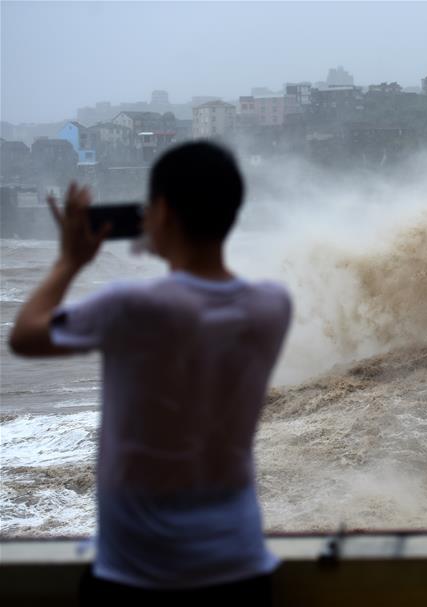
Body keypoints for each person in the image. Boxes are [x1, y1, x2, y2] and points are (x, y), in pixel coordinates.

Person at [8, 141, 291, 605]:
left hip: (138, 577)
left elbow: (25, 336)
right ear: (232, 213)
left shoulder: (131, 306)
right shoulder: (271, 306)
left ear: (160, 211)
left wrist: (68, 262)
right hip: (240, 569)